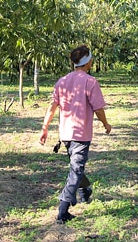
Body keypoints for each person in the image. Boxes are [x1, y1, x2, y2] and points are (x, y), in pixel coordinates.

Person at [39, 45, 112, 224]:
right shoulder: (90, 82)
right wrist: (106, 124)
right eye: (91, 59)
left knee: (76, 167)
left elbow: (52, 106)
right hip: (81, 133)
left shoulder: (62, 81)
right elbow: (98, 108)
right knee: (76, 169)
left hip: (65, 133)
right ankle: (63, 209)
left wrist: (45, 127)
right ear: (87, 62)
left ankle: (84, 190)